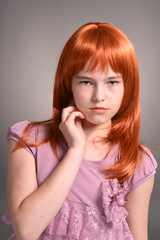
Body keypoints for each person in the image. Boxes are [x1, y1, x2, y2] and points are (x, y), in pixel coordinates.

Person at [2, 22, 157, 240]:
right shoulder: (28, 140)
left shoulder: (137, 161)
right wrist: (76, 150)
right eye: (86, 82)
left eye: (112, 82)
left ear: (127, 87)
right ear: (69, 84)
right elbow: (26, 230)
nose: (99, 96)